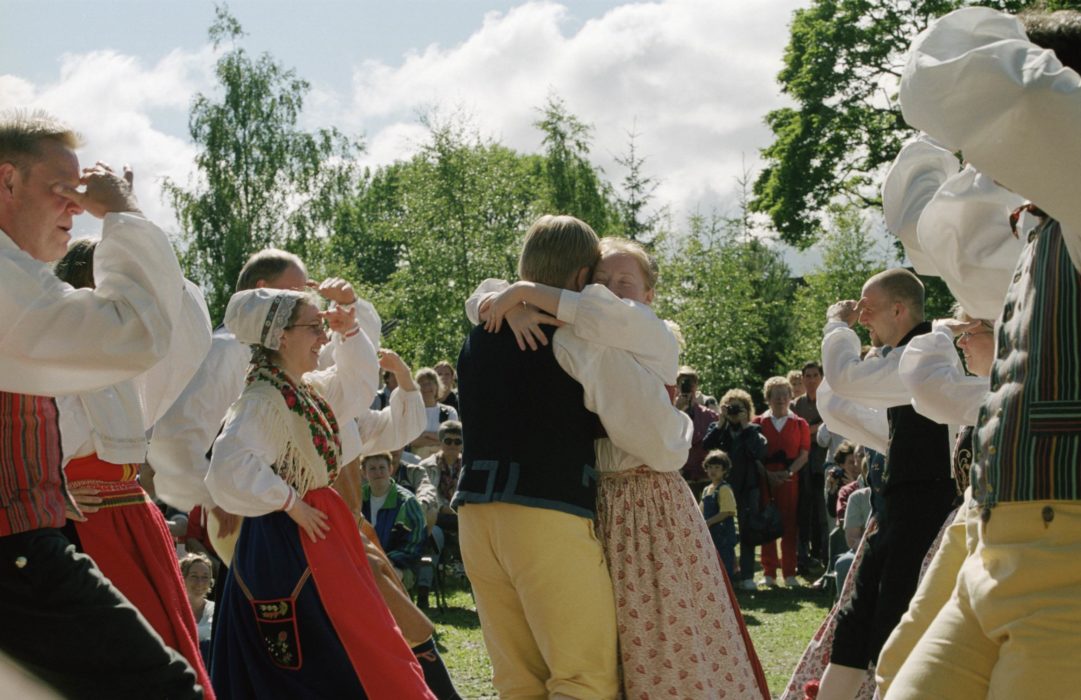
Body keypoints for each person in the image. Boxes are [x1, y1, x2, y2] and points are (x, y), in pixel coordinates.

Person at [471, 232, 769, 699]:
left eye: (623, 281)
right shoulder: (580, 332)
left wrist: (519, 297)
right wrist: (508, 302)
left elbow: (663, 448)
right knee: (593, 639)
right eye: (598, 279)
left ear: (649, 295)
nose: (608, 289)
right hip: (599, 502)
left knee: (656, 633)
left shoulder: (633, 335)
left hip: (645, 504)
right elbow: (487, 296)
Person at [0, 109, 203, 699]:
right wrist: (123, 215)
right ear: (6, 182)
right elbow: (134, 332)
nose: (76, 208)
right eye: (64, 191)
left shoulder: (21, 277)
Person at [205, 288, 433, 698]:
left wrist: (349, 334)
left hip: (318, 537)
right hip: (287, 547)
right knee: (326, 662)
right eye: (314, 327)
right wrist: (290, 502)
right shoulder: (262, 400)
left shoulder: (302, 388)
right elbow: (228, 465)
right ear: (281, 337)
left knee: (362, 645)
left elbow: (354, 387)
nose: (322, 337)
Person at [52, 240, 215, 696]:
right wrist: (46, 492)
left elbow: (182, 325)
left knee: (163, 646)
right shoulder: (41, 351)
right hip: (81, 524)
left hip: (132, 518)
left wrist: (133, 235)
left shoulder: (120, 354)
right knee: (115, 657)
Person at [815, 269, 955, 700]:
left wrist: (838, 326)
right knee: (856, 621)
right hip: (896, 508)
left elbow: (845, 381)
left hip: (929, 510)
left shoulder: (928, 349)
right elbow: (838, 405)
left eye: (868, 308)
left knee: (898, 623)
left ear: (899, 309)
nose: (862, 315)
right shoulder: (897, 357)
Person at [702, 388, 769, 591]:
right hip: (721, 487)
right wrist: (721, 423)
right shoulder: (718, 428)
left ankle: (747, 574)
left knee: (748, 531)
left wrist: (745, 425)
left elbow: (758, 451)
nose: (734, 411)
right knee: (720, 532)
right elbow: (707, 446)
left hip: (747, 487)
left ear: (747, 410)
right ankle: (723, 574)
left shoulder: (753, 430)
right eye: (730, 406)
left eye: (739, 408)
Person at [753, 376, 810, 587]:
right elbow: (754, 456)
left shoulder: (799, 423)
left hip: (790, 479)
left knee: (789, 525)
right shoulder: (758, 423)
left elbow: (804, 455)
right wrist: (767, 475)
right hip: (765, 480)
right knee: (767, 523)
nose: (780, 399)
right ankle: (769, 573)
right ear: (768, 398)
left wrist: (787, 473)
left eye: (784, 395)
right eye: (775, 395)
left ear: (790, 396)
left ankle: (789, 572)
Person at [360, 452, 429, 591]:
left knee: (385, 580)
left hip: (401, 565)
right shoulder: (357, 499)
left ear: (390, 469)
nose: (378, 472)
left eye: (382, 468)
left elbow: (416, 541)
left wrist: (388, 561)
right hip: (364, 562)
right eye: (372, 468)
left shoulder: (407, 502)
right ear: (363, 472)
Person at [791, 361, 828, 572]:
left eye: (815, 375)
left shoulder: (827, 401)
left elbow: (829, 426)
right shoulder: (797, 405)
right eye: (808, 376)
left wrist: (808, 429)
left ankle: (824, 555)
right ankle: (803, 557)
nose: (811, 380)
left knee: (823, 512)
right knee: (803, 511)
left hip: (822, 463)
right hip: (802, 464)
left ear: (821, 378)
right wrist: (814, 429)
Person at [675, 366, 720, 496]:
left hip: (705, 477)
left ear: (696, 386)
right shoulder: (669, 413)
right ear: (676, 386)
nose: (687, 386)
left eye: (691, 382)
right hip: (680, 477)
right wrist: (677, 410)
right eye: (683, 382)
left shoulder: (710, 415)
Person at [701, 450, 739, 580]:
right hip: (710, 534)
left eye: (717, 467)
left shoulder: (724, 489)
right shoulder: (707, 489)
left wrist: (708, 522)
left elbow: (727, 512)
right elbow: (701, 511)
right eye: (710, 467)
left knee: (724, 564)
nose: (713, 471)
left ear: (724, 470)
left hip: (723, 535)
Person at [409, 368, 458, 460]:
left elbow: (452, 439)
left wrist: (426, 434)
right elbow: (412, 441)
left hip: (443, 462)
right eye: (422, 384)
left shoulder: (449, 412)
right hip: (417, 462)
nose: (426, 387)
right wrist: (439, 440)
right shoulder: (411, 412)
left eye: (430, 383)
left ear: (437, 386)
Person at [181, 553, 216, 666]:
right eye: (194, 576)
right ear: (182, 578)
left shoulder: (216, 610)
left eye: (205, 577)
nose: (200, 582)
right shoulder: (173, 610)